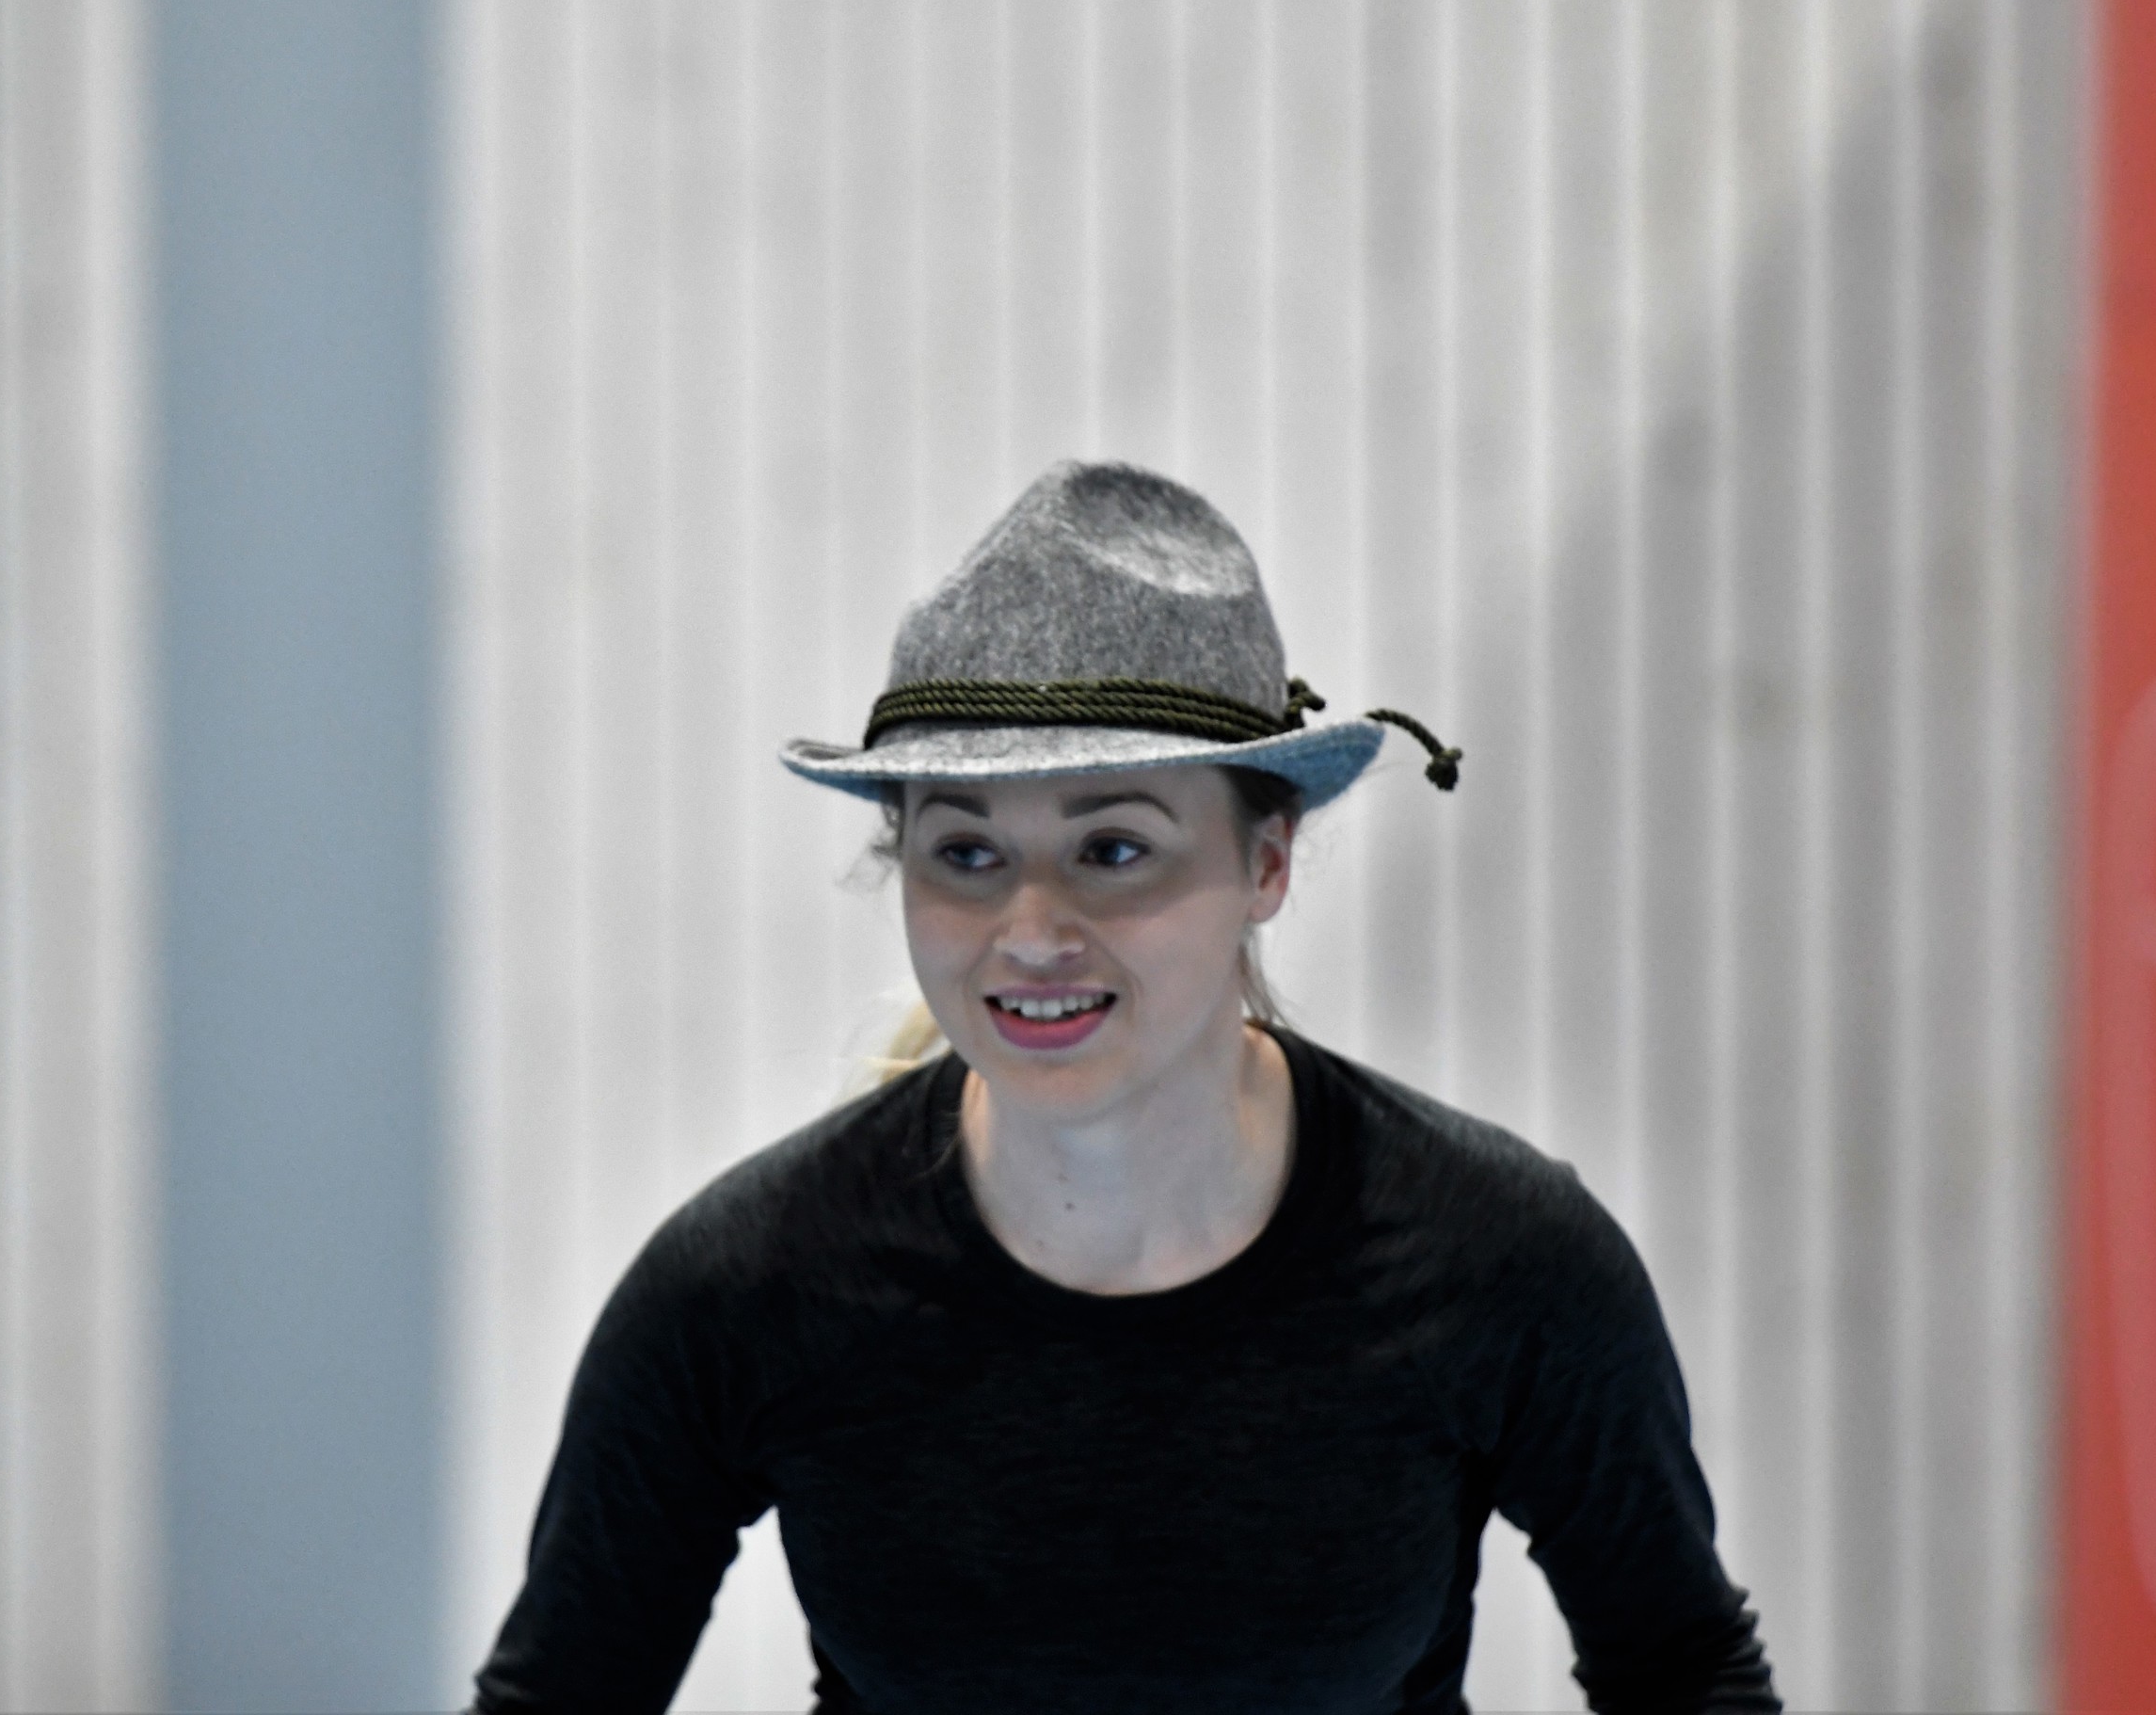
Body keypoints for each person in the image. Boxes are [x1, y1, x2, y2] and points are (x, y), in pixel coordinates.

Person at [471, 462, 1778, 1713]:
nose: (1031, 931)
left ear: (1267, 863)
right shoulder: (747, 1285)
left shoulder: (1502, 1259)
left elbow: (1683, 1673)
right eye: (966, 853)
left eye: (1113, 849)